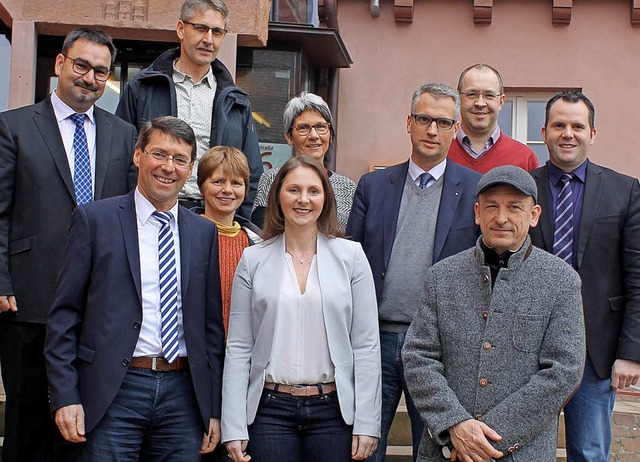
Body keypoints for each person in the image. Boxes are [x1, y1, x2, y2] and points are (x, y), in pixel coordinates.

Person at [44, 116, 225, 461]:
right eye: (159, 154)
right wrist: (66, 395)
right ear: (138, 155)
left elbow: (211, 328)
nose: (168, 167)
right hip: (113, 390)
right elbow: (64, 317)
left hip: (183, 396)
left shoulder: (202, 233)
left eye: (180, 159)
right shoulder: (94, 220)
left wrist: (213, 406)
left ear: (190, 169)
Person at [0, 28, 137, 462]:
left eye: (101, 71)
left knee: (85, 431)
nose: (89, 77)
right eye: (81, 65)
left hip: (97, 307)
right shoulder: (14, 126)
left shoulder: (123, 134)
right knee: (28, 429)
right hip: (29, 299)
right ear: (60, 64)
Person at [403, 165, 585, 461]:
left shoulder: (561, 281)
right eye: (492, 207)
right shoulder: (442, 277)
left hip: (522, 453)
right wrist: (454, 425)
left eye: (514, 208)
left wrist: (486, 437)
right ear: (477, 213)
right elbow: (418, 357)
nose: (501, 218)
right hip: (447, 451)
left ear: (534, 215)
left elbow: (564, 370)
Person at [346, 83, 481, 462]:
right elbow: (351, 260)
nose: (432, 130)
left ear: (455, 129)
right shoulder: (373, 186)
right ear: (409, 122)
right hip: (376, 339)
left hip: (439, 345)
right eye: (424, 119)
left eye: (442, 122)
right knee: (363, 448)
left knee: (435, 452)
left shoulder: (474, 189)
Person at [222, 155, 381, 462]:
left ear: (326, 198)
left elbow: (366, 345)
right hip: (269, 411)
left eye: (313, 191)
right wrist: (233, 424)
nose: (303, 199)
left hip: (334, 412)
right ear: (278, 195)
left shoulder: (351, 256)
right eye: (294, 190)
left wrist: (368, 421)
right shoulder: (253, 259)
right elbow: (239, 346)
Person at [530, 90, 640, 462]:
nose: (568, 133)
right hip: (527, 350)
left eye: (578, 126)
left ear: (592, 134)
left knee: (590, 453)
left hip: (596, 353)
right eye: (559, 125)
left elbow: (636, 277)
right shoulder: (522, 189)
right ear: (544, 131)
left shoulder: (624, 191)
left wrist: (631, 352)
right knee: (523, 450)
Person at [115, 0, 261, 219]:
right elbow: (121, 156)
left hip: (212, 216)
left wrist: (240, 222)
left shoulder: (236, 100)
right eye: (201, 28)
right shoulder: (143, 86)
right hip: (149, 213)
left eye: (217, 32)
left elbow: (251, 172)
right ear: (181, 29)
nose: (208, 39)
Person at [251, 92, 356, 229]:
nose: (314, 135)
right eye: (303, 128)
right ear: (289, 137)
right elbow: (261, 232)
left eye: (320, 127)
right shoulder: (272, 179)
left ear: (330, 135)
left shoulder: (347, 187)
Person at [196, 145, 262, 337]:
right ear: (201, 186)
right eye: (218, 181)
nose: (227, 190)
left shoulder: (257, 243)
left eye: (236, 183)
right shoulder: (182, 237)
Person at [448, 64, 540, 173]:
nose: (480, 103)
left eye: (489, 95)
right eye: (472, 94)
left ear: (501, 102)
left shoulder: (525, 158)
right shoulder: (439, 153)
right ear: (458, 99)